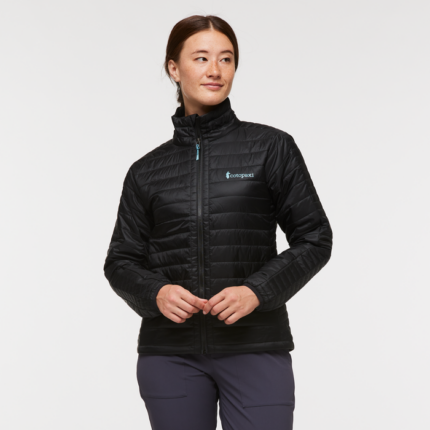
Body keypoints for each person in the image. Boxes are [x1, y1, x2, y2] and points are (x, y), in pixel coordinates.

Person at [103, 14, 333, 430]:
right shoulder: (146, 171)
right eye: (201, 58)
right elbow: (120, 261)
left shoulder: (271, 148)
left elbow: (314, 238)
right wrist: (156, 292)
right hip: (170, 354)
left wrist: (256, 291)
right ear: (174, 68)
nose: (215, 70)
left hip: (255, 344)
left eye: (226, 59)